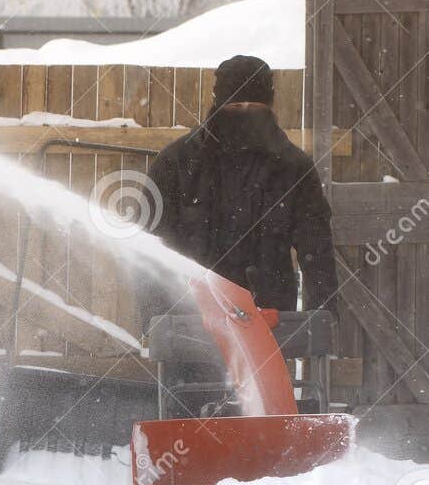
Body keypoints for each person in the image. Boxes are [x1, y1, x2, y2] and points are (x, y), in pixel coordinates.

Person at [142, 55, 336, 323]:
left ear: (268, 105)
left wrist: (322, 321)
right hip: (190, 322)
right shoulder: (176, 163)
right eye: (235, 105)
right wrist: (155, 323)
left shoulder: (293, 169)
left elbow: (317, 251)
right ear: (218, 102)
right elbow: (149, 250)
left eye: (254, 105)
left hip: (267, 323)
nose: (245, 113)